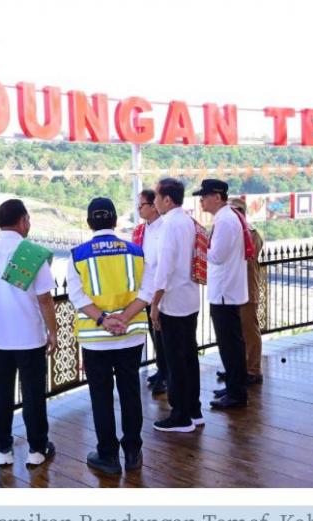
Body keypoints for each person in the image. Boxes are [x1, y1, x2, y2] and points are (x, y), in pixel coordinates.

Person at [67, 197, 154, 475]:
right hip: (131, 334)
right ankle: (132, 452)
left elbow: (77, 297)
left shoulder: (78, 255)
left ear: (90, 222)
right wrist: (124, 319)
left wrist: (104, 320)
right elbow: (146, 292)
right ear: (115, 221)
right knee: (130, 392)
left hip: (96, 338)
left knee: (101, 396)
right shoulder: (136, 251)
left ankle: (108, 455)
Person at [0, 199, 58, 467]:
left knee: (1, 395)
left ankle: (4, 451)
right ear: (22, 221)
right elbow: (44, 300)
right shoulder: (30, 251)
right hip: (29, 336)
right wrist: (52, 332)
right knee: (32, 395)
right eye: (28, 219)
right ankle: (36, 449)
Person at [193, 179, 250, 409]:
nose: (202, 201)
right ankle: (234, 385)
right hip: (226, 289)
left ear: (217, 197)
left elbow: (216, 256)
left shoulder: (225, 221)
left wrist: (201, 245)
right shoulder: (227, 217)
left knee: (230, 343)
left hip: (225, 291)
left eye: (205, 197)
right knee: (231, 342)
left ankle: (237, 392)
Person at [151, 178, 202, 432]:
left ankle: (180, 414)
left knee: (174, 359)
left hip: (173, 300)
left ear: (167, 200)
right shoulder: (187, 220)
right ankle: (194, 408)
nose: (155, 202)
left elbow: (165, 268)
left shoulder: (169, 225)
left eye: (157, 197)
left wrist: (155, 303)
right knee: (189, 355)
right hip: (190, 296)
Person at [219, 197, 264, 385]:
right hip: (231, 288)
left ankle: (253, 369)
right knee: (234, 332)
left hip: (246, 287)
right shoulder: (232, 232)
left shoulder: (252, 234)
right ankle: (237, 368)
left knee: (248, 330)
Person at [131, 189, 168, 396]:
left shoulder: (164, 229)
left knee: (162, 334)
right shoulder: (141, 230)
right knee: (154, 335)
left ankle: (166, 373)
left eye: (141, 205)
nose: (139, 209)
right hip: (145, 289)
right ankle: (161, 369)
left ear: (153, 206)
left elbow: (161, 263)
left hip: (160, 291)